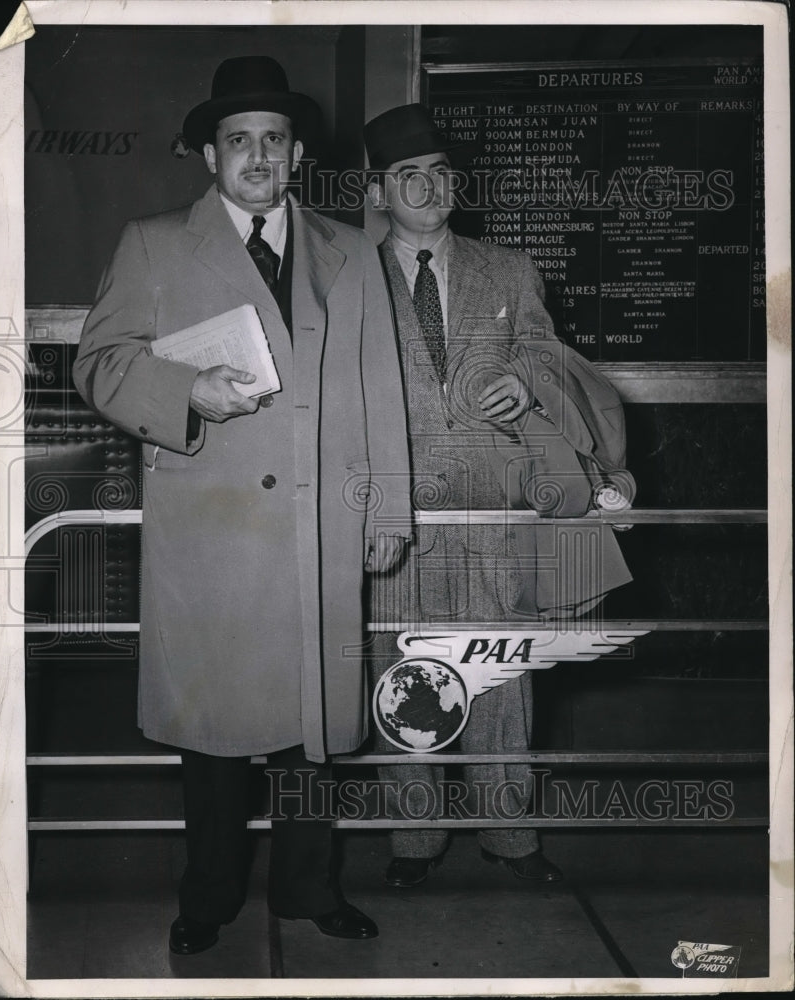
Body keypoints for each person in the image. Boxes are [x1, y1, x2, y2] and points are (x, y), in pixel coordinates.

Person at [73, 57, 411, 954]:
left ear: (296, 154)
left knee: (315, 739)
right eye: (237, 141)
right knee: (215, 741)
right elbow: (99, 363)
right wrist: (184, 391)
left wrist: (387, 513)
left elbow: (381, 389)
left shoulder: (352, 251)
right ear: (208, 156)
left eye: (273, 139)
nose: (257, 156)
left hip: (320, 531)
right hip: (212, 535)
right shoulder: (152, 242)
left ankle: (308, 890)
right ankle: (209, 898)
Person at [363, 103, 635, 888]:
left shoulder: (509, 269)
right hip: (396, 506)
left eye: (440, 174)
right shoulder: (346, 281)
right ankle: (413, 842)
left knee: (502, 673)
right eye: (408, 176)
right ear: (380, 190)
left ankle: (511, 835)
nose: (428, 188)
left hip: (496, 506)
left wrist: (525, 377)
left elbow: (550, 354)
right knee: (401, 675)